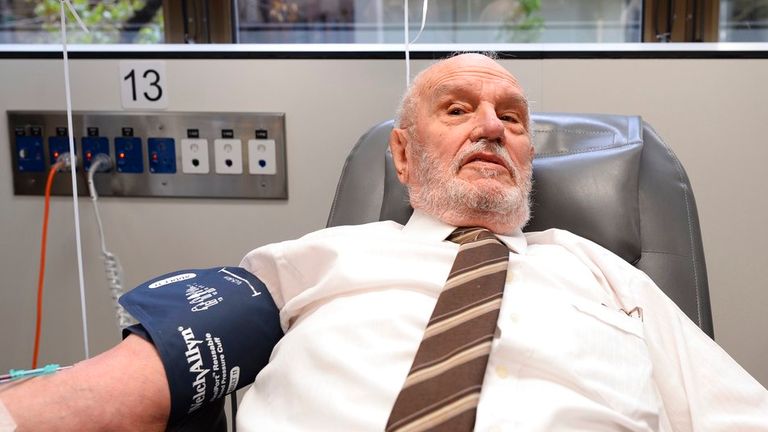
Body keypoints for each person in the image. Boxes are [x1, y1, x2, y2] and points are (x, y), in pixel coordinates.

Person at [1, 53, 767, 431]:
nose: (492, 126)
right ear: (402, 156)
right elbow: (149, 373)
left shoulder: (608, 277)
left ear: (529, 154)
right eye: (458, 109)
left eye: (512, 116)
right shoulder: (325, 256)